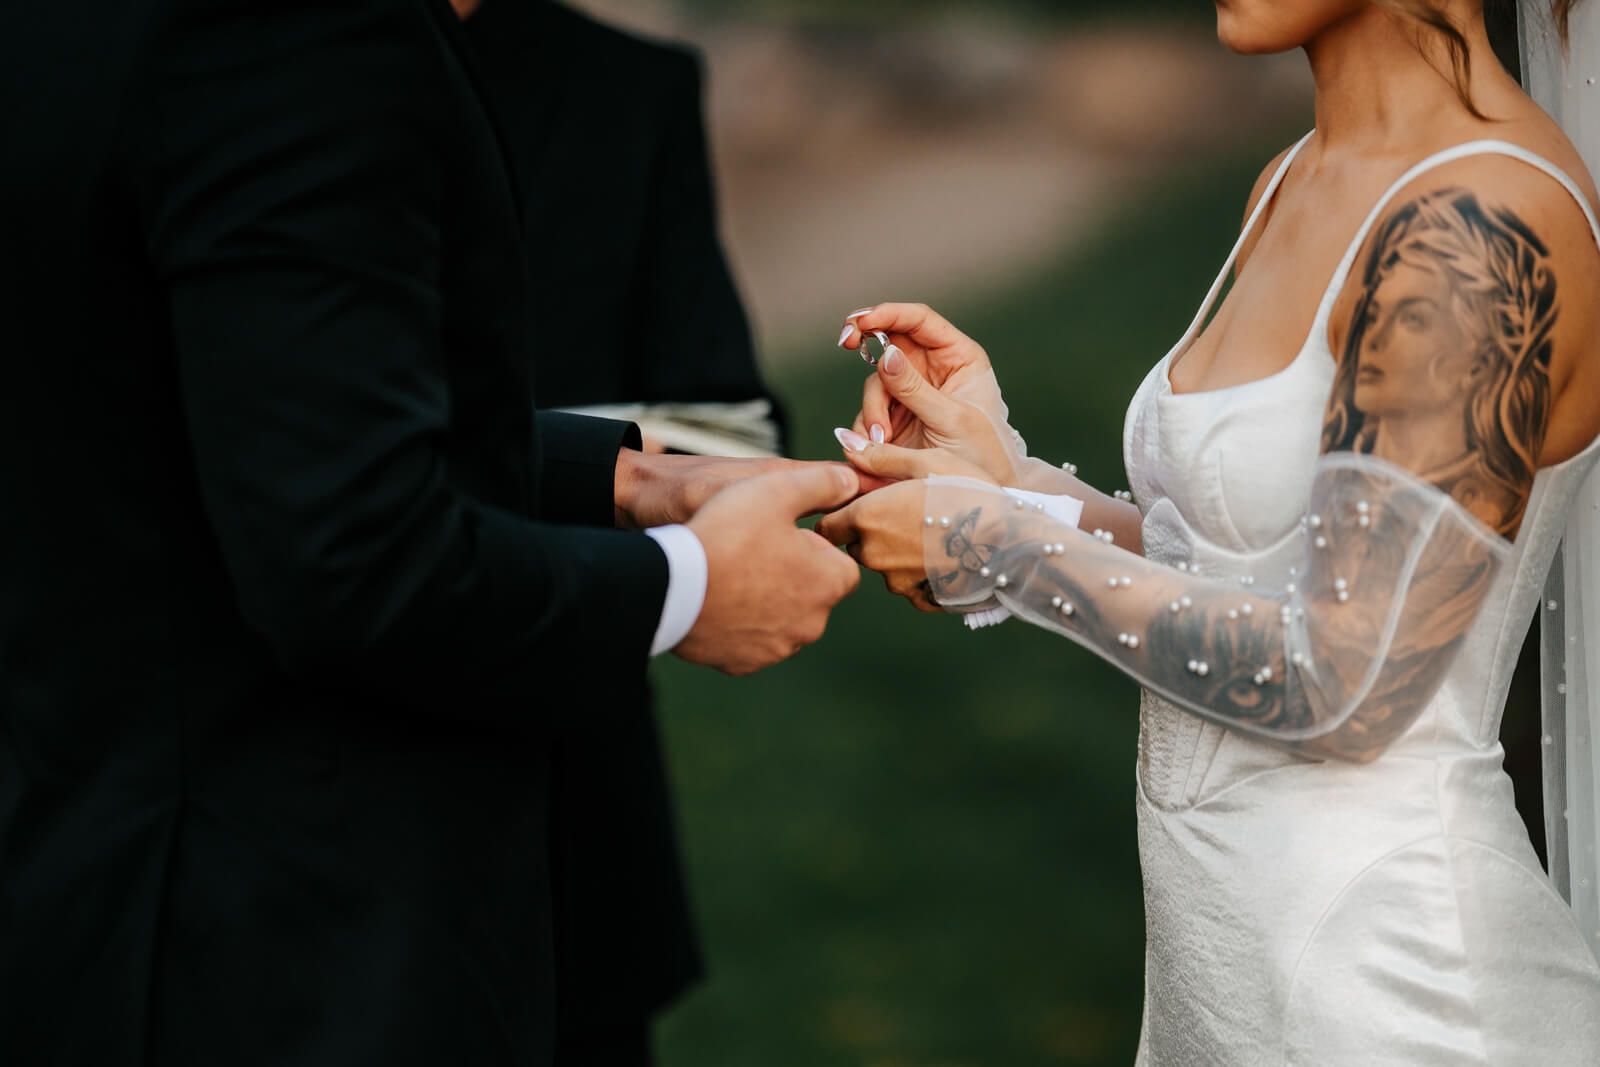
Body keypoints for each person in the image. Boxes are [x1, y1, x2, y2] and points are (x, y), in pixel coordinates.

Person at [0, 2, 861, 1064]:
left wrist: (627, 477)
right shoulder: (289, 34)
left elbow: (194, 424)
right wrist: (681, 585)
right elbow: (349, 556)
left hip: (87, 886)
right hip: (283, 952)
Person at [818, 0, 1600, 1061]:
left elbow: (1346, 678)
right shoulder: (1294, 176)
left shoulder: (1482, 224)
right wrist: (1005, 482)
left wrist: (998, 546)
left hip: (1394, 989)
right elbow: (1241, 567)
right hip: (1224, 974)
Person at [451, 0, 789, 1060]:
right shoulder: (255, 71)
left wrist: (621, 479)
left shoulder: (630, 91)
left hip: (564, 749)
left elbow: (733, 426)